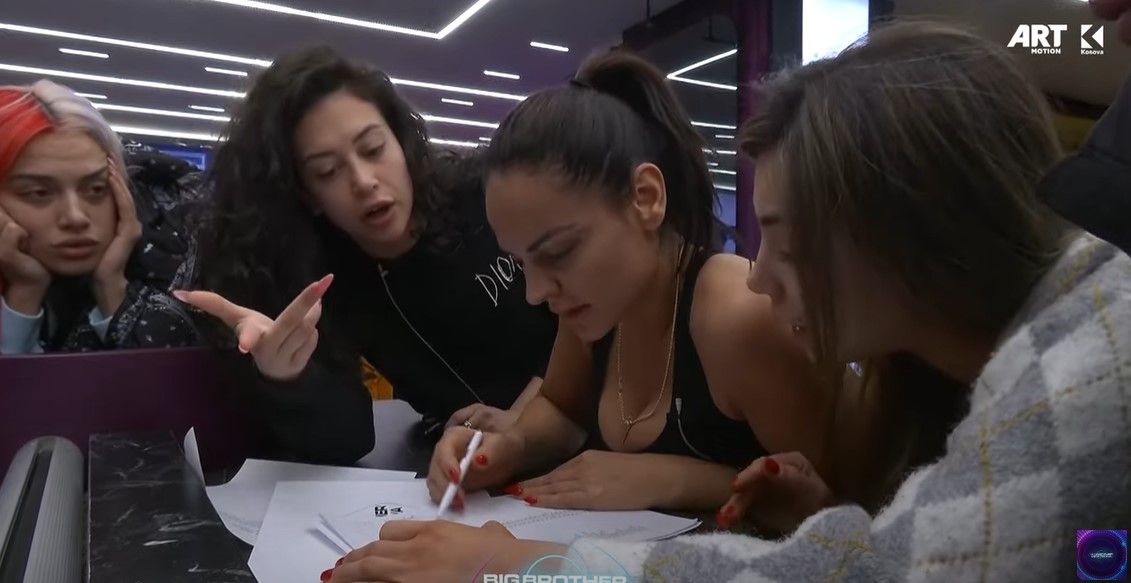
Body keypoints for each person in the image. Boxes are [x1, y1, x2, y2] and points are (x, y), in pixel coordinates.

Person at [323, 19, 1131, 583]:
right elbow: (874, 535)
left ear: (905, 223)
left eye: (784, 237)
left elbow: (884, 567)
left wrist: (523, 565)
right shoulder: (998, 353)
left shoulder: (1091, 366)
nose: (759, 274)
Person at [420, 48, 951, 529]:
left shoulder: (739, 319)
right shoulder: (588, 304)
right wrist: (508, 446)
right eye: (523, 263)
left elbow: (836, 508)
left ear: (646, 198)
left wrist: (677, 478)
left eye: (558, 252)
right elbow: (560, 408)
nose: (536, 292)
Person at [178, 46, 557, 465]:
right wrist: (288, 375)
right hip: (479, 472)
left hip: (587, 433)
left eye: (373, 149)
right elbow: (350, 437)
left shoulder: (484, 197)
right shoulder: (326, 280)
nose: (363, 181)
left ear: (401, 142)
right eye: (327, 172)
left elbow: (586, 323)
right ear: (307, 194)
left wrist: (526, 419)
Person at [0, 80, 200, 354]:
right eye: (39, 193)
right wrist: (25, 291)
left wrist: (111, 286)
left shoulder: (181, 267)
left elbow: (169, 377)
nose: (75, 217)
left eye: (95, 189)